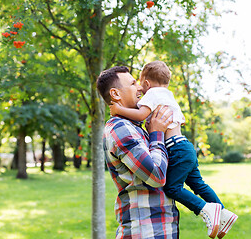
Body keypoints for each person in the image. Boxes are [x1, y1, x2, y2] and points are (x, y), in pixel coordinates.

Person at [109, 61, 238, 239]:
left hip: (175, 148)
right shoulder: (168, 96)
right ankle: (223, 213)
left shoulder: (151, 95)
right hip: (185, 145)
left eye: (138, 83)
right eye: (133, 84)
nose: (139, 88)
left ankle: (205, 209)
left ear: (146, 83)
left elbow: (140, 115)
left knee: (173, 187)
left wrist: (118, 109)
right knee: (198, 184)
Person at [97, 66, 180, 239]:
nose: (141, 88)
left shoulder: (136, 128)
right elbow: (156, 175)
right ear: (116, 94)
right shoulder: (120, 128)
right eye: (133, 83)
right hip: (144, 232)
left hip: (159, 229)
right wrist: (157, 133)